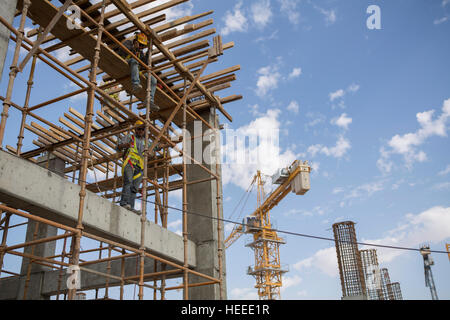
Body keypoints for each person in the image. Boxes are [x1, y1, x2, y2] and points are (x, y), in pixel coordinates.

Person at [120, 32, 159, 112]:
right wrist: (134, 48)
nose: (141, 47)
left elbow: (145, 63)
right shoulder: (128, 43)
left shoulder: (140, 51)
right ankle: (135, 84)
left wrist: (148, 52)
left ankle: (149, 100)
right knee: (134, 60)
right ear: (135, 41)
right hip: (125, 63)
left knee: (153, 80)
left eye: (143, 46)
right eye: (140, 45)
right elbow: (122, 50)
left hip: (136, 69)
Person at [116, 119, 147, 213]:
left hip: (139, 167)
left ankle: (131, 206)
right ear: (135, 129)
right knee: (128, 182)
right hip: (130, 163)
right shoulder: (130, 137)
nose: (140, 131)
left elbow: (156, 146)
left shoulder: (145, 142)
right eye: (139, 129)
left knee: (134, 188)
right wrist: (125, 145)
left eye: (142, 129)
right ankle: (124, 203)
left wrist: (164, 145)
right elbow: (118, 147)